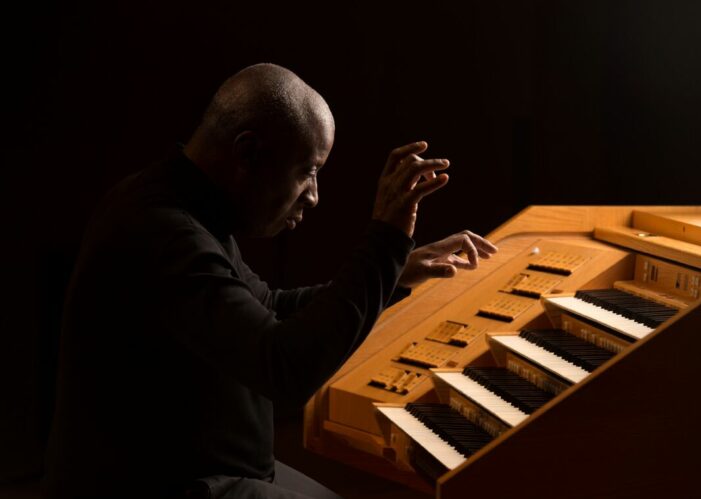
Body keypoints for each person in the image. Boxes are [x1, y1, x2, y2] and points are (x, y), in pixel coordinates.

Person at [44, 63, 497, 499]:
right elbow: (285, 370)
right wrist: (385, 241)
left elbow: (272, 309)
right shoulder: (162, 232)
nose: (314, 196)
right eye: (308, 171)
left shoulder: (186, 209)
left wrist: (394, 271)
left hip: (215, 474)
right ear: (248, 153)